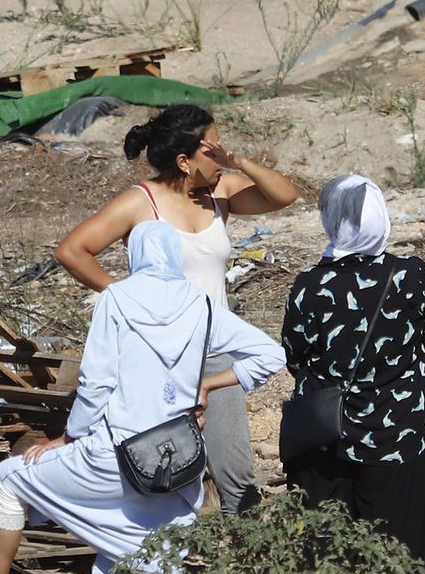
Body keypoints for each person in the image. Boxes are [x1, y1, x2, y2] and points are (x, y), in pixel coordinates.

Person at [0, 222, 285, 574]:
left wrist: (67, 437)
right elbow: (270, 355)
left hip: (114, 459)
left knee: (9, 477)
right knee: (158, 557)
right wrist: (209, 383)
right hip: (175, 467)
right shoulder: (201, 305)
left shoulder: (116, 299)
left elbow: (95, 384)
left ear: (136, 256)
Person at [54, 104, 298, 515]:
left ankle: (247, 560)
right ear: (184, 161)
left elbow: (284, 195)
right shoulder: (140, 202)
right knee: (164, 463)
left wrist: (235, 161)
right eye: (211, 150)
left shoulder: (220, 193)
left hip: (214, 354)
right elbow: (72, 251)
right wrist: (125, 297)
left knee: (234, 468)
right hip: (160, 357)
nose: (220, 156)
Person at [280, 175, 425, 571]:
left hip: (323, 438)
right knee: (399, 561)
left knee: (326, 564)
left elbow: (295, 358)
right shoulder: (410, 277)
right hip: (399, 438)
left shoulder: (309, 285)